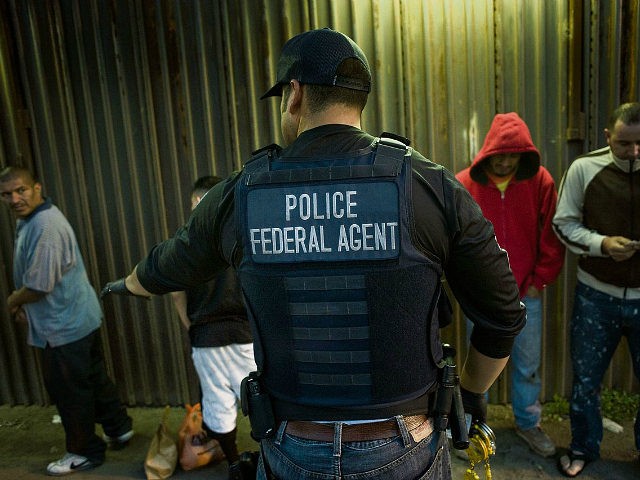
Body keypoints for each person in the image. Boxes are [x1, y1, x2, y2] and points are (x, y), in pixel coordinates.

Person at [101, 28, 525, 480]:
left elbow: (168, 266)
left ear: (295, 94)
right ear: (359, 99)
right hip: (406, 447)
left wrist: (124, 285)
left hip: (293, 448)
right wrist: (474, 391)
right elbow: (502, 313)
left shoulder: (241, 193)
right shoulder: (427, 184)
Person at [0, 166, 133, 477]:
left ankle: (84, 452)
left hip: (63, 327)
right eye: (7, 194)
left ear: (37, 187)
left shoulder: (45, 226)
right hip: (77, 317)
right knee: (93, 377)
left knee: (70, 393)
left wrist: (11, 301)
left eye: (21, 190)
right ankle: (119, 428)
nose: (15, 198)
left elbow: (38, 286)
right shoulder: (32, 219)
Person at [456, 112, 564, 458]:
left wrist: (540, 280)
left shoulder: (541, 182)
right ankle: (472, 430)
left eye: (513, 155)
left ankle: (528, 423)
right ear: (488, 150)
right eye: (500, 154)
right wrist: (468, 286)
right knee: (477, 366)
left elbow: (552, 234)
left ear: (524, 154)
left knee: (527, 364)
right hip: (482, 300)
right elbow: (452, 242)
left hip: (525, 295)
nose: (505, 162)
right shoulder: (463, 184)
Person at [553, 102, 640, 477]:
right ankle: (583, 448)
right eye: (624, 144)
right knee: (586, 382)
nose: (633, 152)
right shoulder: (584, 169)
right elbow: (564, 223)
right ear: (608, 137)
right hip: (595, 295)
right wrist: (602, 244)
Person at [170, 175, 258, 479]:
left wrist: (190, 326)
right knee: (259, 398)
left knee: (217, 404)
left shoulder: (185, 242)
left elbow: (175, 289)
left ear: (196, 202)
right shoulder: (243, 235)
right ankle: (268, 461)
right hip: (246, 335)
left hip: (207, 338)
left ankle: (234, 464)